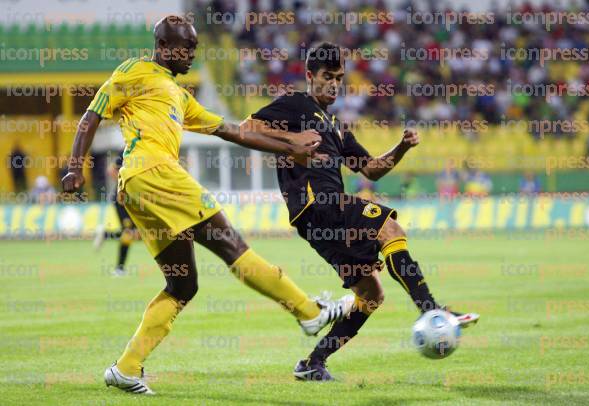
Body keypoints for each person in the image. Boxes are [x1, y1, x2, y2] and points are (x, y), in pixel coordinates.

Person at [62, 18, 353, 395]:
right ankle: (310, 313)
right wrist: (74, 168)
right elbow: (91, 116)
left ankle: (126, 368)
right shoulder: (133, 71)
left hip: (136, 189)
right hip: (155, 174)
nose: (192, 55)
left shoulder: (179, 97)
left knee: (183, 284)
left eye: (195, 48)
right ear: (164, 46)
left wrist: (290, 146)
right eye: (186, 48)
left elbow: (233, 130)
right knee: (231, 244)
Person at [249, 42, 480, 381]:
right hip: (318, 203)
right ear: (310, 76)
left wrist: (400, 148)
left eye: (339, 78)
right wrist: (290, 144)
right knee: (390, 230)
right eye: (327, 76)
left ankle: (313, 364)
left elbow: (371, 169)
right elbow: (248, 127)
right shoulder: (295, 105)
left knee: (370, 295)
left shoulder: (337, 127)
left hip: (320, 222)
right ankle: (432, 311)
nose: (334, 84)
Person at [94, 153, 141, 276]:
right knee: (128, 232)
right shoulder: (128, 152)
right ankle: (119, 268)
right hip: (121, 200)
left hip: (135, 200)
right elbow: (111, 170)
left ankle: (106, 234)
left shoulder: (147, 153)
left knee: (135, 233)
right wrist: (123, 185)